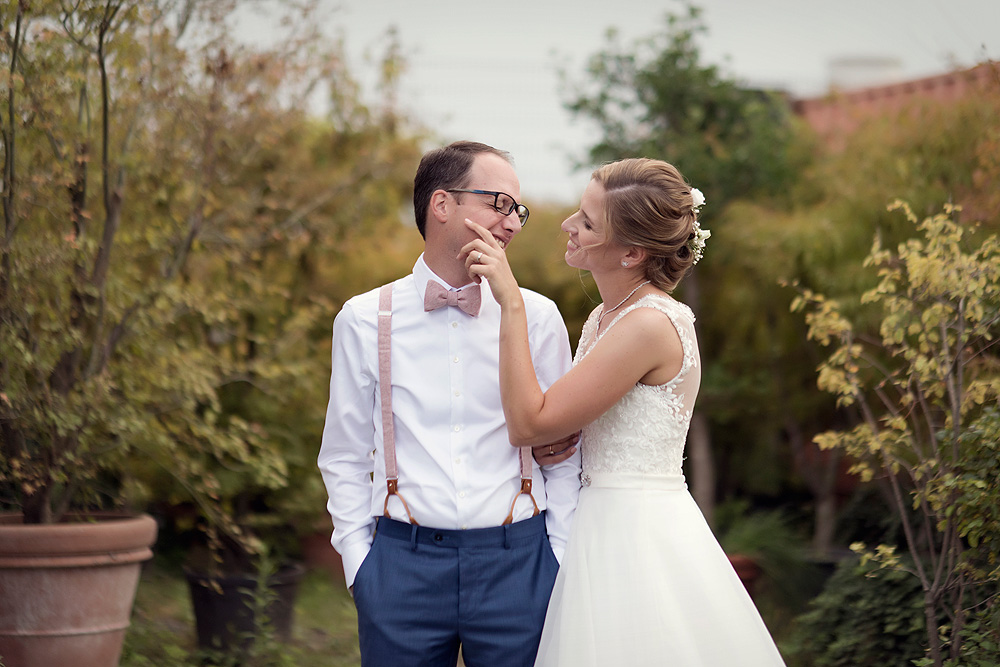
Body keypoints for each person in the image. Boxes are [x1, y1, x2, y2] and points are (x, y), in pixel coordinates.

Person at [462, 157, 787, 666]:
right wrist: (557, 438)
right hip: (595, 519)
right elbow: (559, 420)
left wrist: (512, 302)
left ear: (633, 252)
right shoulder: (604, 317)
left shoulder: (649, 324)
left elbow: (527, 422)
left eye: (588, 223)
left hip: (635, 534)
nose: (568, 226)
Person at [317, 140, 582, 667]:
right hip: (400, 568)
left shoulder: (540, 316)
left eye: (518, 210)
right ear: (443, 205)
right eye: (497, 203)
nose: (512, 222)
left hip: (521, 564)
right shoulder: (364, 318)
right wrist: (359, 564)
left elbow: (564, 450)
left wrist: (559, 555)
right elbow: (344, 454)